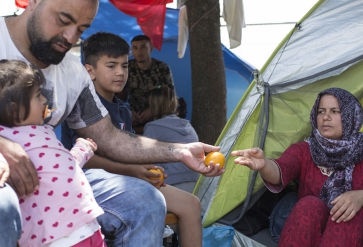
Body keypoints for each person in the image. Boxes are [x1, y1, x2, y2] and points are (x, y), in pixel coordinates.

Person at [0, 0, 223, 246]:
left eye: (82, 29)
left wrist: (180, 150)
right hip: (6, 183)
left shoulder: (73, 72)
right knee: (4, 206)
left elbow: (108, 136)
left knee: (146, 199)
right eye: (64, 20)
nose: (70, 36)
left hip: (56, 181)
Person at [62, 31, 202, 247]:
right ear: (89, 71)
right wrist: (131, 170)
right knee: (146, 201)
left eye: (125, 66)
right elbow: (84, 159)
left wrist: (146, 167)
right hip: (90, 185)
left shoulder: (124, 109)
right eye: (111, 66)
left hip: (130, 179)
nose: (120, 72)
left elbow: (131, 152)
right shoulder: (82, 106)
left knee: (191, 204)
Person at [232, 88, 363, 247]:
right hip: (311, 230)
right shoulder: (306, 150)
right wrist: (264, 164)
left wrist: (359, 196)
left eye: (335, 111)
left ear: (351, 116)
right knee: (309, 205)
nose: (325, 117)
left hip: (353, 233)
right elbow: (281, 169)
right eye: (321, 111)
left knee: (348, 213)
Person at [0, 59, 106, 247]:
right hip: (56, 237)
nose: (44, 101)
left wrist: (83, 149)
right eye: (38, 95)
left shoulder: (44, 131)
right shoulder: (6, 139)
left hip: (88, 226)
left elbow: (63, 168)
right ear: (14, 108)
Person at [144, 85, 199, 193]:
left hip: (170, 183)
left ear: (152, 106)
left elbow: (144, 161)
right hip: (196, 182)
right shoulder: (188, 127)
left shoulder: (152, 128)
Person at [123, 35, 175, 127]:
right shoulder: (127, 68)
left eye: (143, 47)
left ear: (151, 48)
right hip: (135, 116)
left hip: (159, 114)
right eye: (135, 48)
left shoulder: (162, 68)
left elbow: (169, 94)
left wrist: (152, 110)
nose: (139, 52)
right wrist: (128, 112)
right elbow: (118, 95)